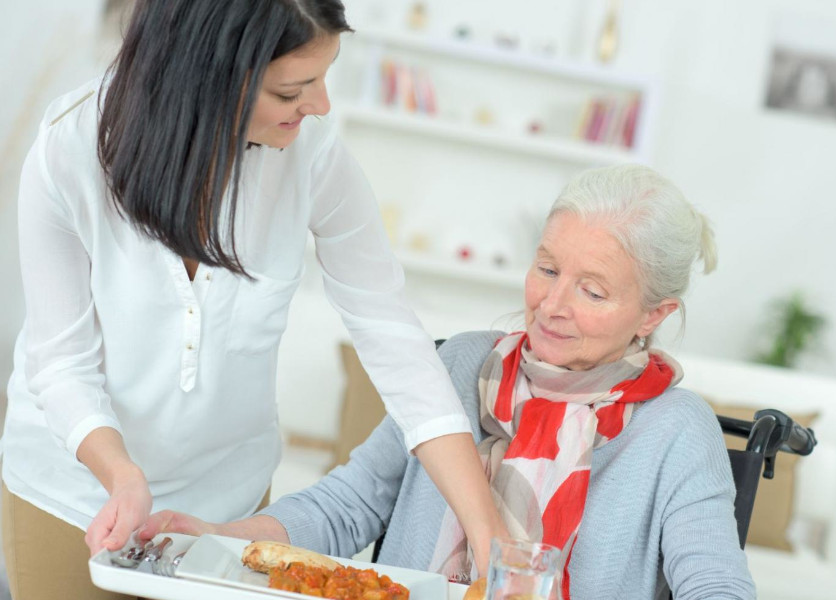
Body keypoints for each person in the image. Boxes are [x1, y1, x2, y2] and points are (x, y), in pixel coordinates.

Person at [2, 2, 506, 599]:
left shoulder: (314, 157)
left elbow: (393, 336)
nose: (320, 105)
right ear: (206, 77)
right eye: (291, 91)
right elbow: (61, 362)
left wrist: (485, 529)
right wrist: (121, 474)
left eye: (323, 77)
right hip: (75, 493)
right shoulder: (70, 150)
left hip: (229, 505)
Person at [145, 165, 757, 600]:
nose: (551, 306)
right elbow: (348, 505)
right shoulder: (461, 363)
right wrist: (219, 538)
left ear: (653, 315)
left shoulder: (678, 429)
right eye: (547, 269)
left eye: (592, 291)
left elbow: (716, 586)